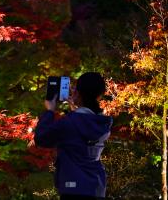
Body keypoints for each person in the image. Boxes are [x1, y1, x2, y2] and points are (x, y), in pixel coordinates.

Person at [34, 72, 113, 200]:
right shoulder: (101, 122)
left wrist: (49, 111)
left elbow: (41, 138)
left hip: (73, 188)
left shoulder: (70, 122)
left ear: (79, 93)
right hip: (97, 187)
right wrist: (75, 109)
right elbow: (81, 128)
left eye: (75, 88)